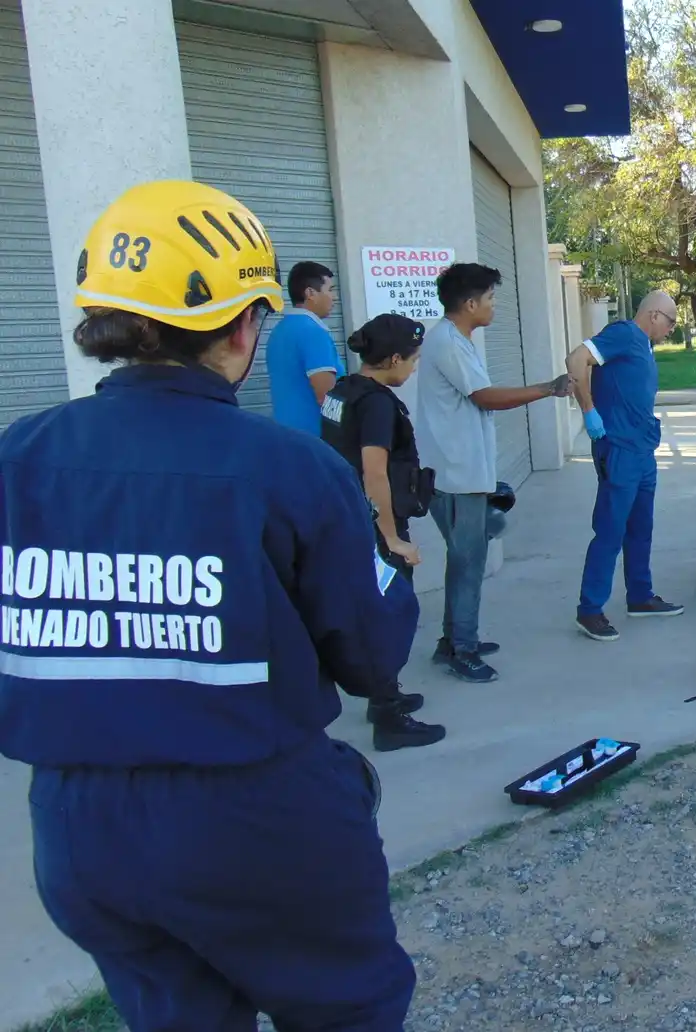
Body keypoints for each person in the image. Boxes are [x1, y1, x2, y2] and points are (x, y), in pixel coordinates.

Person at [1, 180, 418, 1029]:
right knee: (350, 1011)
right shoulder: (290, 467)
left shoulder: (17, 455)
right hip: (257, 814)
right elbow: (374, 656)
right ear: (241, 327)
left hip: (80, 832)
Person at [413, 262, 571, 682]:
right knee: (468, 563)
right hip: (454, 477)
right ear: (469, 303)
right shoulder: (446, 341)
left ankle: (455, 638)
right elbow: (485, 397)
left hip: (465, 472)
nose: (494, 306)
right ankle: (460, 650)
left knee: (467, 559)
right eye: (490, 299)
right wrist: (546, 388)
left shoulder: (457, 340)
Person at [320, 312, 447, 751]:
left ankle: (383, 698)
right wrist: (392, 539)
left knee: (376, 613)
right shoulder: (375, 403)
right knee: (387, 616)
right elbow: (374, 472)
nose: (412, 370)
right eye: (411, 362)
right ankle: (389, 721)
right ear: (393, 358)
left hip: (347, 517)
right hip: (373, 522)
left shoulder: (343, 390)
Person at [566, 290, 685, 642]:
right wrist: (588, 410)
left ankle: (640, 596)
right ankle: (590, 610)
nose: (672, 329)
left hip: (642, 451)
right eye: (671, 321)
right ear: (653, 315)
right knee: (610, 531)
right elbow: (576, 360)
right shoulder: (624, 334)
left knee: (640, 528)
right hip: (618, 450)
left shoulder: (643, 344)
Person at [266, 260, 343, 435]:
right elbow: (327, 398)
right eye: (330, 290)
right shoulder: (313, 332)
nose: (335, 297)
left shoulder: (279, 331)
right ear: (310, 293)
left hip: (287, 436)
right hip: (315, 440)